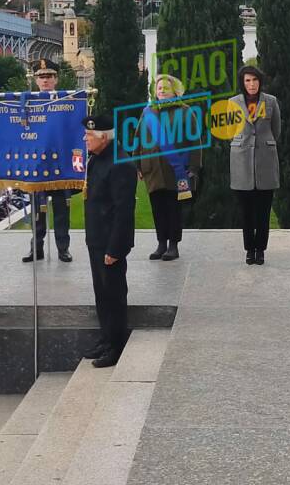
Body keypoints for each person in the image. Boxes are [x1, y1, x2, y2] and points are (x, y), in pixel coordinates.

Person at [81, 114, 137, 368]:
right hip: (96, 239)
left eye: (89, 135)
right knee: (101, 293)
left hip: (110, 244)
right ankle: (106, 337)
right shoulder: (96, 159)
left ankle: (116, 345)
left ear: (103, 137)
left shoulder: (120, 164)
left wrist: (116, 248)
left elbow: (123, 210)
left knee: (114, 294)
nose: (85, 138)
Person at [137, 75, 202, 261]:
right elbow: (138, 138)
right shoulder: (147, 111)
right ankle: (161, 244)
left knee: (173, 209)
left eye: (166, 88)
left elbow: (194, 141)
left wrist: (193, 167)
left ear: (175, 90)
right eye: (158, 88)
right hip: (152, 170)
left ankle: (173, 245)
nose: (162, 91)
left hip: (176, 170)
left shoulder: (185, 111)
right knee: (157, 208)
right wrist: (137, 164)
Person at [229, 66, 282, 265]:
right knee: (246, 212)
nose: (251, 84)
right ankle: (249, 249)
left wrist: (263, 144)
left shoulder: (271, 101)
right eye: (247, 81)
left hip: (265, 162)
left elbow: (276, 130)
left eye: (255, 80)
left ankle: (260, 249)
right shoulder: (233, 103)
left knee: (263, 212)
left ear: (260, 81)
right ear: (243, 83)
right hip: (241, 161)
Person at [23, 58, 73, 263]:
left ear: (56, 79)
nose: (45, 80)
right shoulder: (26, 102)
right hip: (37, 164)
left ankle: (63, 248)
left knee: (62, 211)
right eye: (41, 77)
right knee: (37, 212)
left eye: (49, 76)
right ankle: (37, 248)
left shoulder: (66, 101)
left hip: (59, 164)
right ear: (36, 80)